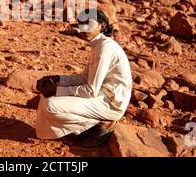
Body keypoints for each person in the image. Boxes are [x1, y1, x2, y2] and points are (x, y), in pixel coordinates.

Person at [35, 9, 133, 147]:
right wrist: (58, 79)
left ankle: (99, 123)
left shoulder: (105, 48)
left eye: (89, 23)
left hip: (110, 103)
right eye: (81, 24)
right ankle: (81, 128)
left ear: (102, 26)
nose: (84, 28)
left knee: (51, 105)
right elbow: (84, 77)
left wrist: (57, 91)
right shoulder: (98, 46)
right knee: (46, 98)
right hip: (100, 97)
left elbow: (91, 90)